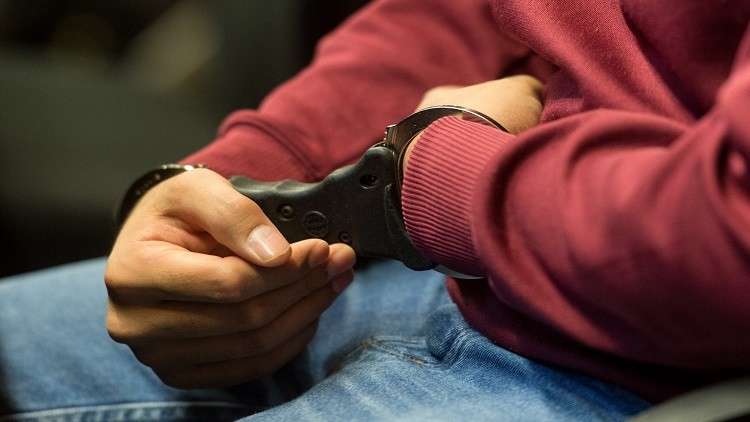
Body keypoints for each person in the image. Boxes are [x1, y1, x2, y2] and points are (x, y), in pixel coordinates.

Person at [2, 0, 749, 420]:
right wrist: (227, 181)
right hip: (435, 275)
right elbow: (456, 13)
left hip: (630, 370)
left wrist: (439, 169)